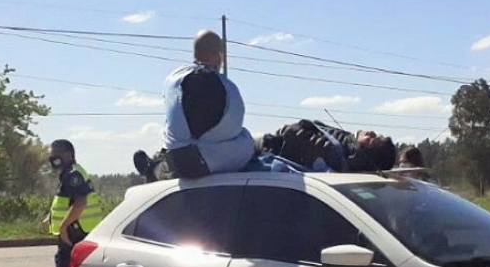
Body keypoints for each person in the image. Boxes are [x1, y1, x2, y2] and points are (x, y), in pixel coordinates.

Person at [136, 29, 255, 181]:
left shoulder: (173, 78)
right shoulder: (225, 86)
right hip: (203, 161)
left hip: (178, 156)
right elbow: (231, 128)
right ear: (217, 55)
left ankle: (156, 167)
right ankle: (160, 166)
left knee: (176, 153)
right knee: (247, 141)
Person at [43, 139, 102, 267]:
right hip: (75, 236)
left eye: (56, 153)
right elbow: (66, 204)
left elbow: (80, 202)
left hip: (75, 237)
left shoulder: (73, 174)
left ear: (69, 154)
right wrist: (52, 220)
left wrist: (63, 227)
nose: (53, 158)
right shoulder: (69, 174)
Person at [255, 120, 396, 172]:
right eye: (375, 134)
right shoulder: (345, 144)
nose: (371, 133)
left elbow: (289, 134)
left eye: (372, 140)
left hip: (264, 149)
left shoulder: (333, 153)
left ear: (366, 155)